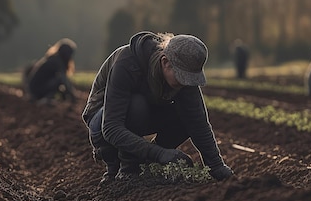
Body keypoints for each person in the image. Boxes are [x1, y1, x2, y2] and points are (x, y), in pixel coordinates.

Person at [82, 31, 234, 185]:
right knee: (137, 105)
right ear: (165, 62)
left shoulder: (183, 75)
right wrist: (159, 154)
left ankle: (146, 164)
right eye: (181, 77)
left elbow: (198, 122)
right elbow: (111, 127)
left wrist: (216, 166)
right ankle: (125, 169)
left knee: (186, 115)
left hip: (140, 116)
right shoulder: (127, 63)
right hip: (102, 122)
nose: (185, 83)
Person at [23, 38, 78, 104]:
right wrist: (72, 96)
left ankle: (45, 99)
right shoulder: (57, 62)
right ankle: (44, 100)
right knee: (59, 80)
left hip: (34, 89)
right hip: (37, 90)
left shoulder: (53, 59)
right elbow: (64, 80)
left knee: (58, 82)